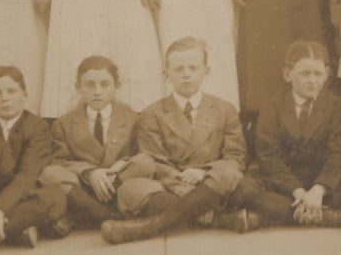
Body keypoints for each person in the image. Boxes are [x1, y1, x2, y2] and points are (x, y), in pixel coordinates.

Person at [102, 38, 261, 243]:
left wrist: (204, 173)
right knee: (131, 189)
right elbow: (155, 161)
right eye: (178, 69)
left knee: (230, 174)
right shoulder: (152, 113)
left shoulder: (224, 109)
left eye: (193, 68)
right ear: (166, 74)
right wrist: (188, 192)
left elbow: (236, 157)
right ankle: (221, 219)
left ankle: (150, 226)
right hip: (172, 187)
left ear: (207, 71)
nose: (186, 74)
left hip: (212, 183)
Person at [238, 41, 341, 232]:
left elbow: (339, 156)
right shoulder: (272, 107)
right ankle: (335, 218)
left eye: (318, 74)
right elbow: (270, 159)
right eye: (304, 73)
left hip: (322, 184)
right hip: (285, 187)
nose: (312, 80)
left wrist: (318, 190)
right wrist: (298, 191)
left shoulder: (335, 107)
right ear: (287, 74)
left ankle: (271, 218)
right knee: (245, 189)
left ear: (327, 75)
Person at [38, 56, 154, 227]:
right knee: (50, 173)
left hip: (119, 182)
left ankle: (88, 215)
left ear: (117, 86)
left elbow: (140, 154)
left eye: (105, 84)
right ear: (78, 87)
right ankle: (106, 214)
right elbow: (60, 161)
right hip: (82, 188)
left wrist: (120, 165)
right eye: (89, 85)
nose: (97, 92)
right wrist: (90, 172)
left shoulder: (132, 118)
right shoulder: (64, 123)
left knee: (146, 163)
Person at [0, 66, 71, 251]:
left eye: (12, 91)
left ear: (25, 94)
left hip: (19, 198)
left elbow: (27, 175)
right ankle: (15, 231)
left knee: (54, 198)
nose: (5, 98)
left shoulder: (38, 126)